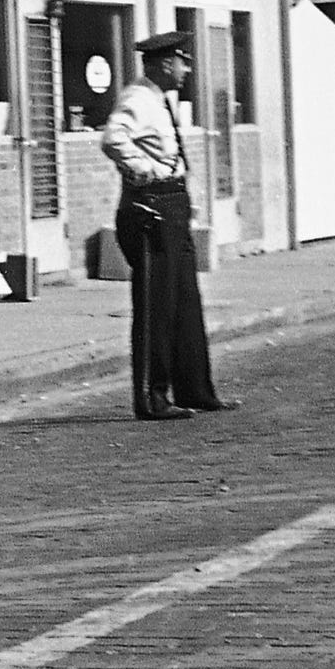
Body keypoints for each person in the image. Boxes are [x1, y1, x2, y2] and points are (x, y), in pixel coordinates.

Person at [99, 31, 234, 420]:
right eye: (182, 60)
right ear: (162, 64)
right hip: (149, 209)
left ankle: (196, 390)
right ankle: (152, 397)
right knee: (156, 307)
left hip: (173, 206)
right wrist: (145, 172)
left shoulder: (158, 101)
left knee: (185, 302)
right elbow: (113, 139)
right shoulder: (138, 99)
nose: (187, 69)